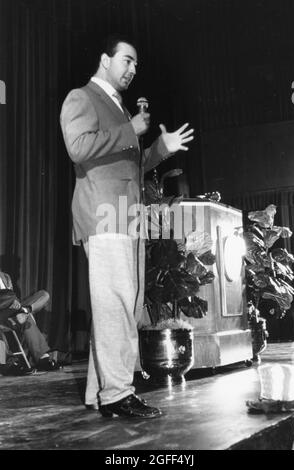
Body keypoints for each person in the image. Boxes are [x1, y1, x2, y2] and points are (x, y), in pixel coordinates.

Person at [60, 35, 194, 419]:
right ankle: (118, 394)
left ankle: (97, 392)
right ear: (105, 60)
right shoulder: (82, 97)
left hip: (128, 216)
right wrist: (130, 130)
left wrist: (160, 149)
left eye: (136, 65)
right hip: (104, 214)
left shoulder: (118, 109)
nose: (133, 70)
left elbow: (129, 168)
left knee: (122, 306)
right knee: (116, 304)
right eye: (127, 61)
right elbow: (78, 148)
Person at [0, 270, 60, 372]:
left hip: (14, 309)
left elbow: (11, 295)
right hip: (2, 313)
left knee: (44, 294)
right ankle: (42, 358)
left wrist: (16, 305)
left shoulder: (5, 276)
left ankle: (26, 310)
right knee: (27, 318)